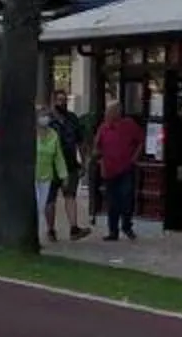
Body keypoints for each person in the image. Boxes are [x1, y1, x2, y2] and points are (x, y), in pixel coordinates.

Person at [92, 99, 143, 241]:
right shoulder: (104, 128)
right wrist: (98, 158)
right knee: (112, 202)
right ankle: (113, 231)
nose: (107, 113)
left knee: (127, 198)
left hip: (126, 168)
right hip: (109, 170)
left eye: (110, 111)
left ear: (117, 112)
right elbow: (97, 147)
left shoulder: (129, 125)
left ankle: (127, 226)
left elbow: (140, 141)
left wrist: (135, 157)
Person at [49, 93, 87, 238]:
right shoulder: (47, 120)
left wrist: (83, 162)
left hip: (70, 163)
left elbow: (80, 141)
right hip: (51, 164)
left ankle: (74, 228)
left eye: (64, 100)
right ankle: (51, 229)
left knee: (70, 195)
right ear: (54, 102)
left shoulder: (72, 118)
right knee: (50, 198)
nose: (62, 103)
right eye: (59, 100)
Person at [34, 95, 71, 240]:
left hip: (46, 176)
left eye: (47, 116)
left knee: (42, 206)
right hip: (32, 175)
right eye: (42, 115)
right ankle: (34, 235)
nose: (45, 118)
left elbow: (58, 157)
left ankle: (43, 231)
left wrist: (64, 175)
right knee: (34, 207)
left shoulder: (53, 135)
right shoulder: (31, 134)